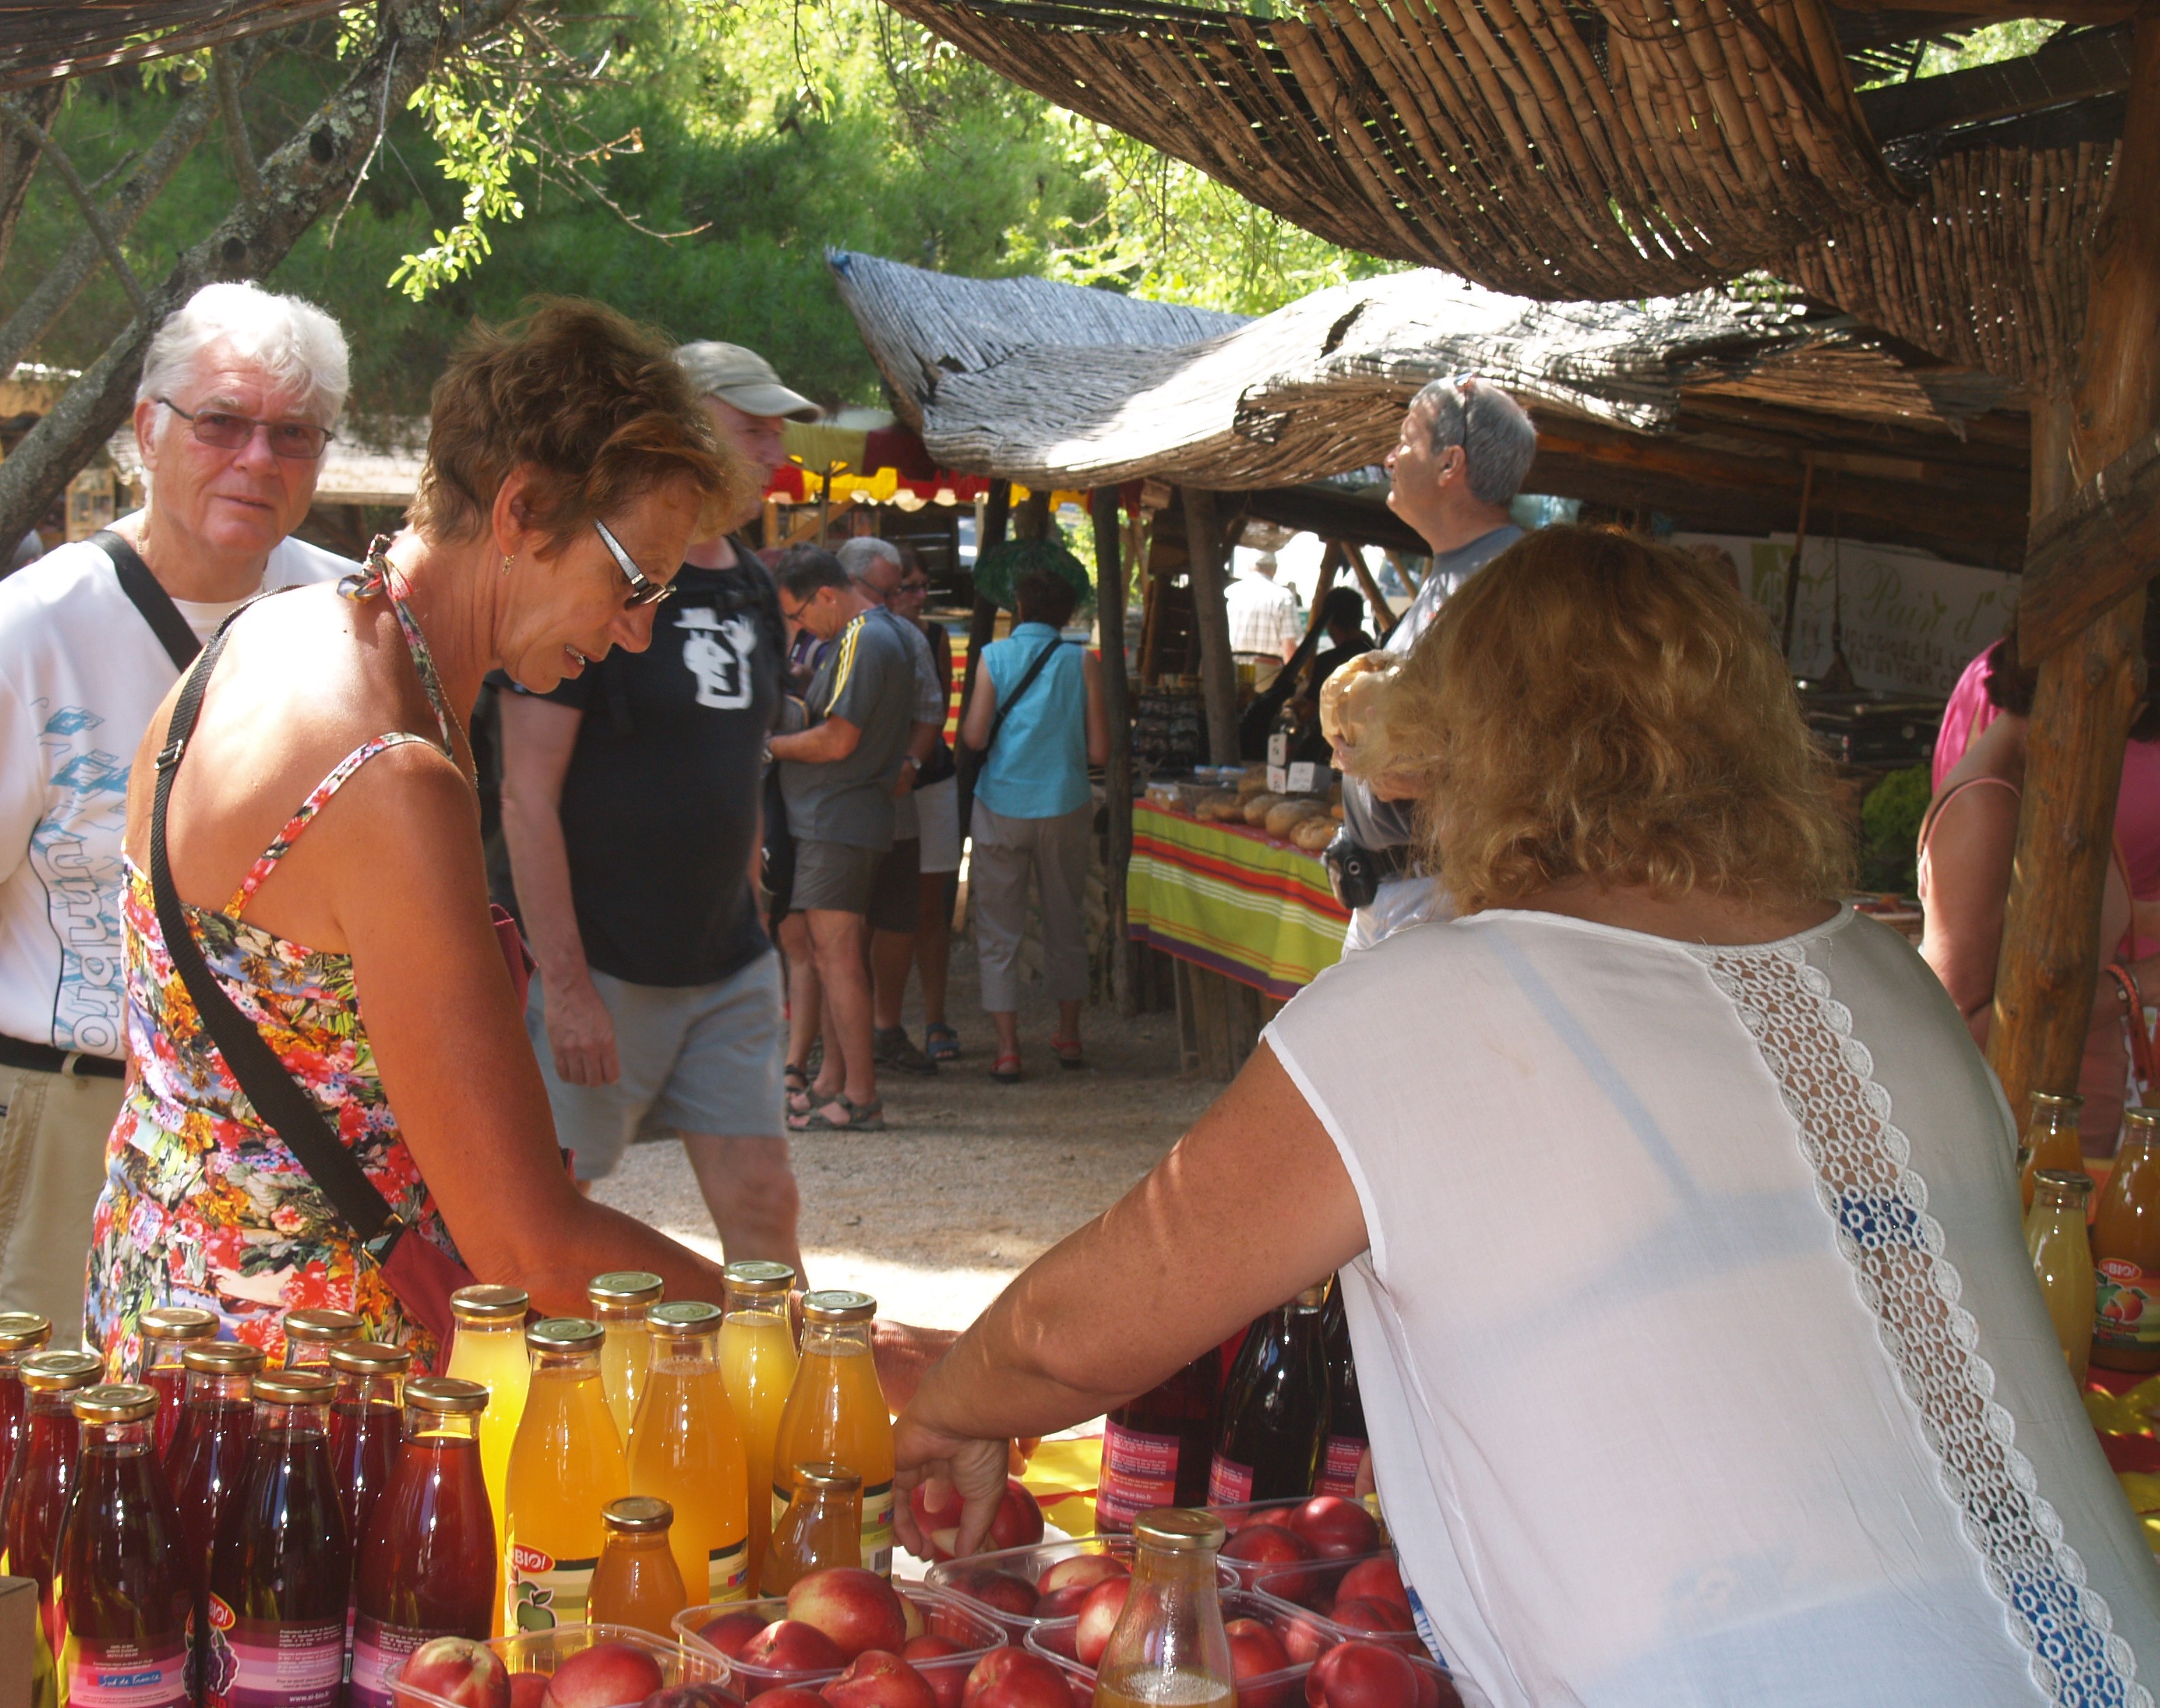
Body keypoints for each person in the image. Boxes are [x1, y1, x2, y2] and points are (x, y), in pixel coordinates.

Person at [895, 527, 2160, 1705]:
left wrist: (948, 1409)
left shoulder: (1426, 1005)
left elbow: (1074, 1333)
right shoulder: (1890, 980)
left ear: (1465, 745)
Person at [83, 299, 952, 1394]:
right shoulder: (388, 775)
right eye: (636, 579)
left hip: (171, 1321)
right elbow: (526, 1249)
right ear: (521, 511)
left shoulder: (270, 636)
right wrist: (844, 1354)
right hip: (290, 1405)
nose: (639, 627)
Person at [0, 282, 354, 1336]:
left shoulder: (351, 619)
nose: (258, 460)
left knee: (284, 1443)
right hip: (76, 1118)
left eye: (292, 433)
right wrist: (35, 1073)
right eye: (222, 424)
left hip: (301, 1123)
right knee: (79, 1455)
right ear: (148, 429)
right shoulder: (24, 639)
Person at [493, 341, 814, 1266]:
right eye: (747, 422)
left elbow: (740, 763)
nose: (770, 446)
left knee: (764, 1199)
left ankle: (788, 1400)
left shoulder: (753, 583)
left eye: (775, 427)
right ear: (682, 424)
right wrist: (567, 991)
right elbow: (525, 797)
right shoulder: (590, 569)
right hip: (602, 965)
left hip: (726, 962)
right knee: (549, 1211)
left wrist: (751, 916)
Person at [1918, 615, 2160, 1152]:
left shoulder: (2050, 790)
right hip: (2020, 1155)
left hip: (2071, 1147)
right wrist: (2138, 984)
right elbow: (1964, 1027)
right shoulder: (1987, 808)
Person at [1333, 375, 1537, 954]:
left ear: (1450, 464)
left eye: (1406, 439)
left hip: (1444, 895)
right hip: (1400, 892)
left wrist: (1429, 778)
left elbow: (1539, 747)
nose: (1390, 456)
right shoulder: (1456, 572)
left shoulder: (1508, 583)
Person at [772, 547, 917, 1132]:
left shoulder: (863, 637)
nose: (800, 627)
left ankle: (861, 1094)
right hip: (840, 817)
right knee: (834, 956)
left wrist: (768, 746)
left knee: (838, 957)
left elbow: (837, 740)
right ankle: (834, 1079)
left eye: (801, 614)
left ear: (827, 595)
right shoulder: (876, 636)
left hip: (838, 818)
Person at [960, 568, 1109, 1082]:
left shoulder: (993, 658)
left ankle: (1007, 1049)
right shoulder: (1082, 662)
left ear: (1018, 609)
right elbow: (1099, 751)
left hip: (1002, 805)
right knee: (1065, 918)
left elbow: (975, 737)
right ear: (1067, 615)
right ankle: (1068, 1035)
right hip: (1064, 805)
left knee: (1000, 930)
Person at [837, 535, 947, 1077]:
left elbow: (931, 711)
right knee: (840, 917)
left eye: (895, 590)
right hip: (832, 806)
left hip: (893, 801)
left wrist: (910, 766)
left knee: (898, 916)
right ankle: (839, 1038)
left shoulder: (906, 636)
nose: (892, 600)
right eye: (882, 590)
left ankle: (885, 1026)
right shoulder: (822, 633)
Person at [891, 555, 963, 1063]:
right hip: (880, 783)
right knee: (883, 909)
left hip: (929, 778)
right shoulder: (860, 634)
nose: (920, 596)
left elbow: (936, 709)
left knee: (931, 906)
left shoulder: (935, 637)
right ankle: (885, 1022)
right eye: (909, 587)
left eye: (924, 586)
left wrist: (913, 760)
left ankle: (936, 1017)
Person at [1283, 585, 1372, 764]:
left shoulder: (1328, 662)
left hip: (1334, 749)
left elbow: (1314, 709)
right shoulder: (1376, 655)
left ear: (1330, 623)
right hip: (1371, 743)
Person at [1225, 551, 1302, 687]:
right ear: (1274, 569)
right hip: (1268, 674)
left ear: (1251, 567)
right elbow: (1288, 646)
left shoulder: (1230, 593)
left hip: (1231, 670)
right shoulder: (1284, 597)